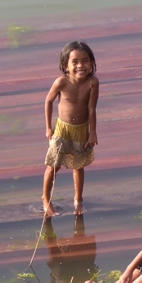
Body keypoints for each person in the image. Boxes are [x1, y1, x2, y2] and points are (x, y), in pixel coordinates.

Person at [42, 41, 99, 216]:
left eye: (85, 61)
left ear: (91, 63)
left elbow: (91, 109)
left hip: (81, 130)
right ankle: (46, 199)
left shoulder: (93, 82)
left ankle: (78, 199)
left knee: (78, 165)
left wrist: (93, 132)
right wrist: (48, 128)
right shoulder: (61, 82)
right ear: (65, 65)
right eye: (75, 62)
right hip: (62, 130)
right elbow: (48, 101)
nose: (80, 65)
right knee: (53, 165)